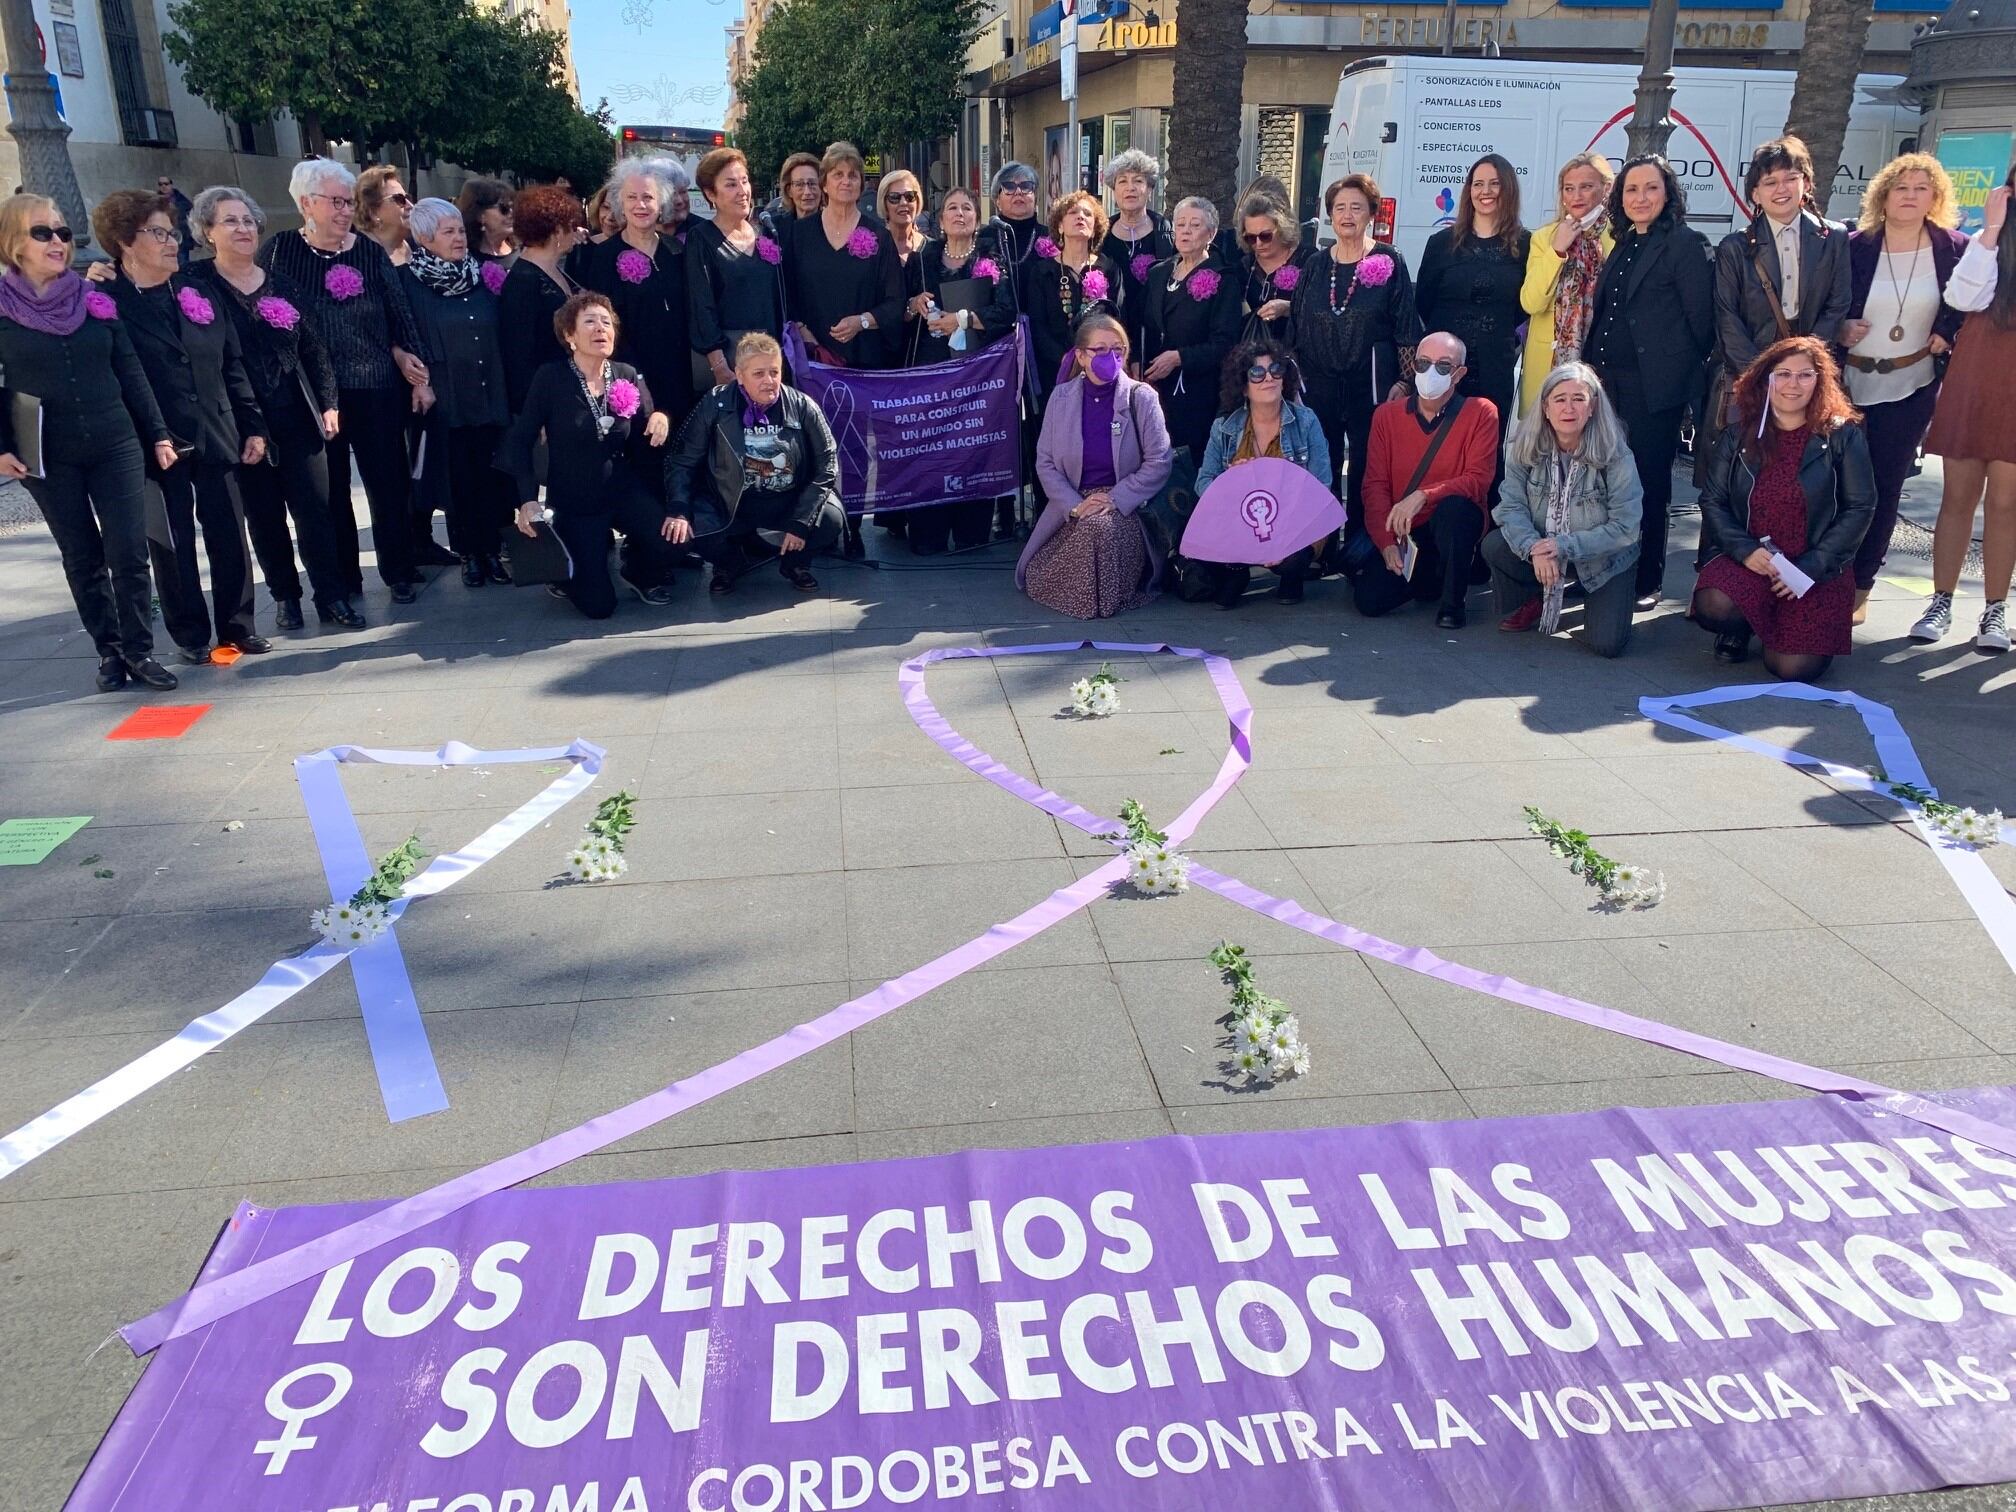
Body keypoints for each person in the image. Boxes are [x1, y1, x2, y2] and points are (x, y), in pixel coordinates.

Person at [0, 194, 180, 691]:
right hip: (46, 453)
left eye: (63, 233)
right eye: (43, 233)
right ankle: (110, 651)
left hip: (114, 440)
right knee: (81, 555)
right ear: (14, 243)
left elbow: (129, 369)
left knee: (128, 550)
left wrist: (158, 432)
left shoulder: (93, 297)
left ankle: (141, 650)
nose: (58, 242)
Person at [94, 188, 270, 661]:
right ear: (126, 242)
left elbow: (233, 363)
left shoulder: (196, 287)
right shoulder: (106, 300)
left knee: (230, 531)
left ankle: (237, 625)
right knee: (170, 543)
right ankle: (190, 634)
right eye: (158, 233)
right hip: (153, 440)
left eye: (172, 233)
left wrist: (253, 424)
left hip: (216, 428)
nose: (172, 242)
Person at [186, 187, 362, 633]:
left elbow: (315, 348)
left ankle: (332, 596)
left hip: (296, 412)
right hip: (239, 422)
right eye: (230, 221)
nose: (244, 229)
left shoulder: (281, 282)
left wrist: (329, 403)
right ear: (208, 231)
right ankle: (286, 597)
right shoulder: (194, 284)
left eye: (248, 220)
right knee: (264, 518)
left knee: (316, 510)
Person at [259, 157, 434, 604]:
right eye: (335, 202)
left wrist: (413, 367)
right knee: (330, 489)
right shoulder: (280, 251)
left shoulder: (368, 251)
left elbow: (398, 313)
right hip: (315, 393)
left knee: (388, 480)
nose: (344, 211)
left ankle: (398, 569)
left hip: (374, 382)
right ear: (306, 204)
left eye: (348, 201)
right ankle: (344, 580)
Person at [1693, 336, 1873, 677]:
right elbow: (1712, 501)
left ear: (1821, 382)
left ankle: (1778, 622)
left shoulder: (1843, 436)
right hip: (1752, 559)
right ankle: (1742, 626)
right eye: (1783, 374)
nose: (1793, 384)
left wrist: (1811, 567)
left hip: (1813, 568)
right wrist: (1745, 551)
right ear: (1766, 379)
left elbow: (1860, 508)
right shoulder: (1737, 435)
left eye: (1805, 375)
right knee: (1716, 605)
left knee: (1793, 669)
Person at [1841, 153, 1970, 623]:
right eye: (1901, 187)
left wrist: (1948, 330)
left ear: (1935, 197)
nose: (1910, 196)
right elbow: (1829, 301)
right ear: (1883, 195)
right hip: (1847, 384)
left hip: (1911, 385)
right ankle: (1827, 575)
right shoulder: (1854, 245)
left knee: (1883, 487)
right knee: (1836, 484)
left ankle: (1860, 584)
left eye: (1921, 188)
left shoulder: (1953, 247)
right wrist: (1840, 327)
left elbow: (1968, 300)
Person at [1584, 153, 1713, 608]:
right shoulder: (1623, 243)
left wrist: (1673, 374)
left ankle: (1646, 579)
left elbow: (1702, 325)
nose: (1640, 197)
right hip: (1606, 384)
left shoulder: (1684, 244)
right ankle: (1606, 568)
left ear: (1668, 193)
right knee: (1605, 480)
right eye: (1631, 189)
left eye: (1650, 188)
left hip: (1653, 390)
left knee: (1648, 482)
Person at [502, 292, 678, 618]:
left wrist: (660, 418)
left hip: (621, 490)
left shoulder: (624, 373)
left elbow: (644, 423)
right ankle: (566, 572)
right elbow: (519, 441)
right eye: (590, 322)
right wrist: (527, 499)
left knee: (672, 540)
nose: (601, 329)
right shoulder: (551, 378)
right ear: (570, 335)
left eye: (607, 322)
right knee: (599, 607)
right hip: (576, 500)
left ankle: (636, 571)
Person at [1288, 173, 1423, 535]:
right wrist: (1295, 381)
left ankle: (1364, 543)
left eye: (1356, 208)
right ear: (1330, 214)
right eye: (1340, 208)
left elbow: (1406, 326)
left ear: (1371, 214)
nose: (1347, 215)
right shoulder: (1316, 265)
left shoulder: (1390, 259)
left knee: (1367, 465)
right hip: (1320, 382)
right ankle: (1321, 542)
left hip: (1372, 384)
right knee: (1321, 460)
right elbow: (1297, 327)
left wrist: (1405, 380)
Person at [1705, 136, 1851, 467]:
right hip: (1750, 369)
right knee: (1745, 467)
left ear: (1807, 183)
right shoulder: (1735, 247)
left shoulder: (1834, 238)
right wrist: (1760, 377)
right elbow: (1727, 317)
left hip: (1811, 370)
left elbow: (1837, 304)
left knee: (1803, 465)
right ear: (1756, 194)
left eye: (1790, 178)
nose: (1780, 188)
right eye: (1769, 182)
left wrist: (1806, 366)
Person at [665, 332, 846, 596]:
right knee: (687, 529)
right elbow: (683, 461)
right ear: (739, 374)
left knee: (831, 518)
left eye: (774, 372)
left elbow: (827, 462)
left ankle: (795, 563)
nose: (769, 381)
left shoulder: (802, 404)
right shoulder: (714, 403)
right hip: (731, 500)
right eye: (759, 373)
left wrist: (801, 521)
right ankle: (729, 563)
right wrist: (679, 509)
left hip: (788, 498)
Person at [1914, 175, 2015, 652]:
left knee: (2005, 505)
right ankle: (1941, 600)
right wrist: (1992, 231)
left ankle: (1995, 610)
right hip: (1974, 380)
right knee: (1957, 499)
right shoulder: (1986, 242)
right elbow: (1962, 299)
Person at [1018, 313, 1172, 618]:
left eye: (1117, 350)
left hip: (1125, 507)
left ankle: (1094, 597)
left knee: (1098, 529)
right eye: (1099, 350)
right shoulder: (1060, 397)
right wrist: (1075, 505)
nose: (1109, 357)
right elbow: (1045, 462)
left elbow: (1160, 461)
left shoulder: (1142, 398)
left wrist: (1115, 499)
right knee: (1039, 568)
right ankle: (1079, 592)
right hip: (1073, 504)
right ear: (1081, 356)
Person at [1484, 362, 1642, 657]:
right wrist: (1535, 547)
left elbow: (1626, 527)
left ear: (1592, 406)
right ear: (1545, 407)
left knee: (1606, 645)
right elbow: (1510, 507)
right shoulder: (1524, 447)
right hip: (1546, 549)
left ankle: (1594, 594)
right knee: (1495, 545)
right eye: (1560, 399)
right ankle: (1534, 597)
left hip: (1604, 559)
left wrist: (1561, 545)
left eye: (1578, 399)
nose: (1568, 408)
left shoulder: (1616, 453)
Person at [400, 198, 514, 587]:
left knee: (493, 473)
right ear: (425, 238)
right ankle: (470, 553)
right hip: (447, 393)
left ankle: (495, 549)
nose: (459, 238)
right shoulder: (407, 282)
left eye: (460, 230)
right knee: (459, 478)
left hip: (489, 387)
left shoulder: (484, 274)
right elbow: (402, 337)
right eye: (448, 232)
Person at [1355, 331, 1499, 625]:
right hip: (1408, 532)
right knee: (1370, 599)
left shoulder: (1481, 412)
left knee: (1456, 509)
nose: (1431, 372)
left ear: (1459, 374)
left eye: (1443, 366)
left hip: (1451, 520)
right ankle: (1430, 578)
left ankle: (1452, 604)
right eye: (1423, 363)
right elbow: (1375, 484)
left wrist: (1423, 495)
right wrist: (1386, 543)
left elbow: (1478, 480)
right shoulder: (1387, 416)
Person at [1189, 335, 1332, 607]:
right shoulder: (1224, 427)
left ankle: (1292, 577)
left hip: (1293, 520)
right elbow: (1202, 482)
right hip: (1242, 520)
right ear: (1243, 387)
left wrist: (1285, 531)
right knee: (1203, 537)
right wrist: (1228, 483)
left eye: (1275, 369)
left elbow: (1320, 486)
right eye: (1257, 372)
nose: (1269, 378)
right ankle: (1236, 573)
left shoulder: (1306, 421)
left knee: (1293, 556)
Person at [904, 187, 1003, 555]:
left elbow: (1005, 312)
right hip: (930, 374)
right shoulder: (922, 258)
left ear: (976, 218)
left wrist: (962, 320)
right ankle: (928, 532)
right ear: (940, 219)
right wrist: (913, 303)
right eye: (952, 208)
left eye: (967, 208)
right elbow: (901, 310)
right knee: (930, 453)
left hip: (978, 376)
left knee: (972, 450)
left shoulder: (992, 258)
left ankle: (971, 531)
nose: (960, 213)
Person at [580, 158, 694, 455]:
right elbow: (606, 326)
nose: (640, 205)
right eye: (632, 197)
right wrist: (636, 377)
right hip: (632, 375)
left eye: (648, 197)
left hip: (679, 373)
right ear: (620, 202)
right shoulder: (604, 257)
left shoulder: (676, 252)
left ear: (662, 203)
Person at [1415, 155, 1527, 442]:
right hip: (1444, 366)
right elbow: (1424, 300)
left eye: (1494, 184)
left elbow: (1524, 306)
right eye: (1478, 184)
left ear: (1509, 189)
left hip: (1495, 364)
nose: (1485, 191)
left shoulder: (1525, 244)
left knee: (1486, 444)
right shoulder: (1441, 243)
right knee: (1438, 443)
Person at [782, 142, 904, 371]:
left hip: (866, 360)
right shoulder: (799, 234)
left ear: (861, 184)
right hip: (812, 359)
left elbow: (895, 301)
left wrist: (863, 321)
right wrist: (803, 331)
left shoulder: (880, 236)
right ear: (824, 184)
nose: (846, 181)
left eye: (853, 175)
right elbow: (786, 292)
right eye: (838, 174)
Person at [1140, 195, 1242, 465]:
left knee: (1193, 465)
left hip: (1199, 390)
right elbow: (1147, 327)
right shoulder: (1159, 273)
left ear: (1211, 234)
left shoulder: (1224, 278)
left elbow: (1226, 343)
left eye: (1195, 225)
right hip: (1157, 387)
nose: (1185, 230)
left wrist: (1179, 358)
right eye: (1180, 224)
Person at [1519, 152, 1615, 416]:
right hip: (1550, 363)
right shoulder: (1545, 237)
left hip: (1600, 357)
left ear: (1605, 188)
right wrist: (1557, 251)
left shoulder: (1619, 236)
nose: (1576, 196)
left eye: (1586, 187)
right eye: (1569, 188)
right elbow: (1531, 302)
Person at [1012, 189, 1123, 407]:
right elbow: (1037, 326)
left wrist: (1095, 358)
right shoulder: (1042, 271)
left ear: (1095, 229)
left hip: (1100, 368)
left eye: (1087, 214)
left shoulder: (1109, 268)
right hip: (1055, 371)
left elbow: (1119, 320)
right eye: (1073, 212)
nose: (1080, 217)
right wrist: (1066, 359)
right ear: (1060, 226)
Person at [687, 147, 786, 393]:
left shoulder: (765, 232)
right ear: (711, 193)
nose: (743, 191)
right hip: (732, 359)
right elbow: (701, 305)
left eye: (744, 181)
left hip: (770, 356)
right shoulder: (700, 238)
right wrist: (719, 365)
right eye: (731, 184)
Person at [498, 185, 586, 417]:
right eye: (571, 226)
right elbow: (518, 356)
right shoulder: (523, 281)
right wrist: (535, 413)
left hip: (567, 391)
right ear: (557, 231)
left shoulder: (553, 269)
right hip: (545, 402)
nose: (575, 232)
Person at [1100, 150, 1173, 353]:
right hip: (1112, 334)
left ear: (1149, 189)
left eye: (1138, 181)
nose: (1130, 188)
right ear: (1114, 190)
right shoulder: (1100, 235)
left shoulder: (1167, 233)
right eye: (1122, 181)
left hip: (1157, 338)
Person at [1237, 193, 1310, 345]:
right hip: (1254, 355)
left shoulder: (1308, 260)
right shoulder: (1245, 266)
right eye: (1250, 238)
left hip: (1297, 351)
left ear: (1282, 228)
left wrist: (1288, 308)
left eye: (1265, 236)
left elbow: (1321, 310)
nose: (1258, 243)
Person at [880, 168, 931, 365]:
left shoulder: (932, 248)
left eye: (910, 197)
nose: (903, 203)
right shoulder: (872, 247)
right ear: (884, 204)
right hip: (881, 353)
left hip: (922, 352)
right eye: (894, 198)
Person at [355, 165, 413, 267]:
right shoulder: (358, 258)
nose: (410, 205)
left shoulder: (422, 246)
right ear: (373, 212)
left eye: (407, 198)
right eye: (399, 199)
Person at [762, 152, 823, 237]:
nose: (807, 192)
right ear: (789, 191)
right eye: (799, 184)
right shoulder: (775, 229)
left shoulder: (835, 227)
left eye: (812, 183)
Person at [459, 177, 516, 266]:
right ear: (480, 215)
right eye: (504, 208)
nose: (511, 213)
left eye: (513, 207)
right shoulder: (466, 261)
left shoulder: (525, 252)